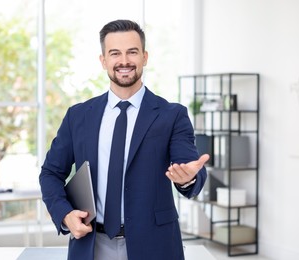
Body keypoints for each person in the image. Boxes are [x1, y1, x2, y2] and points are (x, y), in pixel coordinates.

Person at [39, 19, 209, 260]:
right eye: (115, 53)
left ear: (145, 57)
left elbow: (189, 167)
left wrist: (187, 178)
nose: (124, 61)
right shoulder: (78, 116)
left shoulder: (172, 115)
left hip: (154, 246)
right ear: (103, 61)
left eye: (132, 52)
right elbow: (50, 173)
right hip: (90, 245)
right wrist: (64, 214)